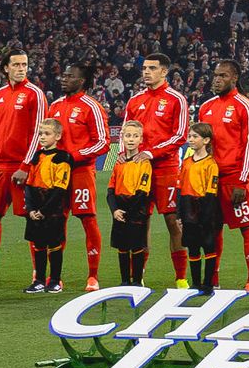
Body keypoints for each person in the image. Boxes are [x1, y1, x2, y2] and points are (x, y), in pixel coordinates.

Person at [0, 53, 47, 290]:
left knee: (32, 218)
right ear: (5, 68)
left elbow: (39, 134)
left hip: (22, 166)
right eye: (17, 65)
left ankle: (38, 274)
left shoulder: (35, 94)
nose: (21, 69)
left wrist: (26, 165)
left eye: (25, 65)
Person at [196, 63, 249, 278]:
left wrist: (242, 181)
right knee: (212, 228)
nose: (216, 79)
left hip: (234, 177)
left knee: (247, 227)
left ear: (234, 78)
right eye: (215, 75)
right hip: (210, 180)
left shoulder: (245, 106)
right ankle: (212, 280)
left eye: (222, 76)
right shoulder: (205, 107)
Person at [123, 58, 189, 273]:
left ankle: (180, 278)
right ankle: (138, 275)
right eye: (144, 68)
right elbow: (126, 132)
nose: (146, 72)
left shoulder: (176, 99)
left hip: (166, 168)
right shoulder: (134, 100)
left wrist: (151, 152)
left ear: (164, 71)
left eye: (152, 68)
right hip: (139, 169)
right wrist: (125, 155)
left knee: (173, 221)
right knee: (140, 221)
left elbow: (179, 136)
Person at [49, 60, 110, 288]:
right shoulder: (54, 106)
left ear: (81, 81)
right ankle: (54, 276)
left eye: (69, 76)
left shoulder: (91, 106)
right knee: (55, 221)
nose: (64, 79)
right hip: (56, 172)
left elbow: (103, 142)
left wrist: (74, 156)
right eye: (63, 75)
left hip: (81, 171)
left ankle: (93, 276)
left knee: (88, 220)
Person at [17, 110, 76, 295]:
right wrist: (32, 209)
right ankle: (39, 280)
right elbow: (28, 185)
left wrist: (44, 210)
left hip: (53, 209)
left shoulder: (63, 158)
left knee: (54, 245)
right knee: (39, 245)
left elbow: (60, 188)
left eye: (47, 133)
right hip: (36, 207)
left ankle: (55, 280)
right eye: (40, 133)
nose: (42, 137)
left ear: (57, 136)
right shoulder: (36, 157)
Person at [171, 104, 228, 290]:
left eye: (195, 136)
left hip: (206, 209)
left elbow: (211, 193)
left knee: (209, 247)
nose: (190, 139)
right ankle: (196, 284)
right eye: (189, 136)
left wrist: (206, 216)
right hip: (188, 208)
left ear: (206, 140)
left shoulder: (211, 164)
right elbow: (180, 188)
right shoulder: (186, 162)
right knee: (193, 248)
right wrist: (179, 214)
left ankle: (207, 284)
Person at [106, 115, 162, 287]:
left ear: (141, 139)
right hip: (120, 210)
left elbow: (143, 192)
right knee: (122, 248)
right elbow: (110, 190)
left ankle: (137, 281)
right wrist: (115, 210)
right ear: (122, 138)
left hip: (137, 210)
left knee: (137, 247)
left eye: (135, 136)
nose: (131, 139)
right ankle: (124, 281)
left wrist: (128, 212)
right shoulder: (119, 162)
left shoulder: (144, 163)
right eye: (128, 136)